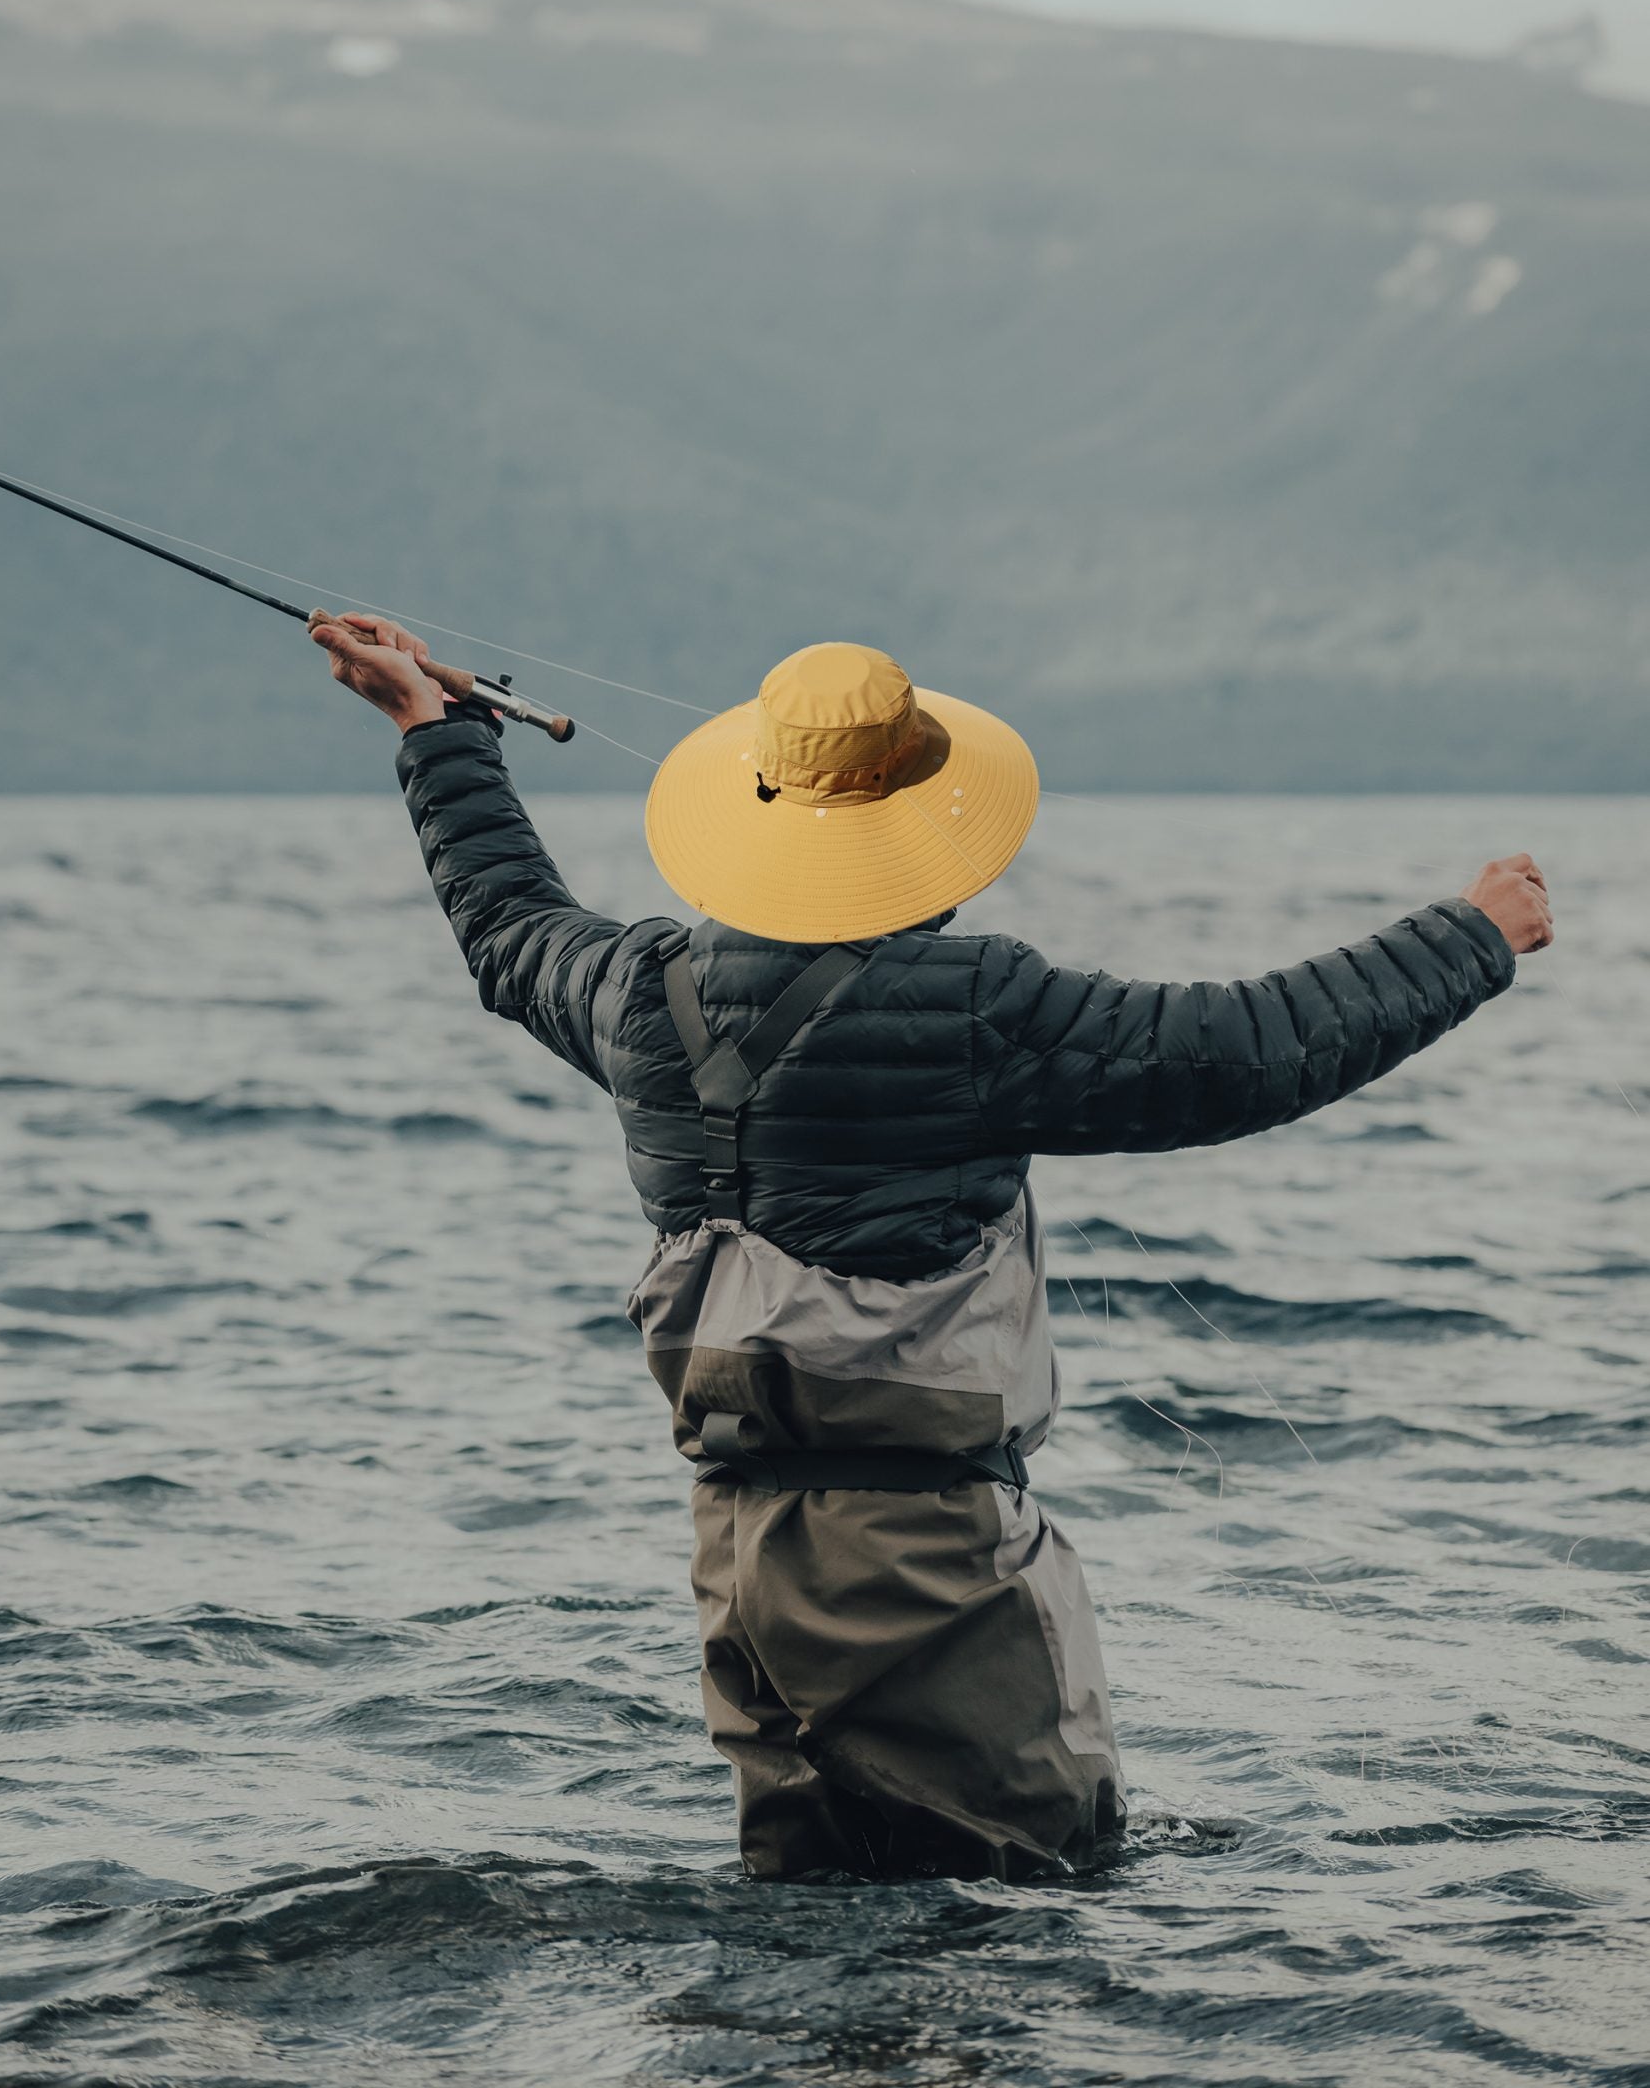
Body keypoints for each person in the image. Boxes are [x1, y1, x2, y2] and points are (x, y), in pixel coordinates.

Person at [311, 611, 1553, 1883]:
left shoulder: (639, 991)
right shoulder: (978, 1009)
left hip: (738, 1554)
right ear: (918, 811)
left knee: (807, 1937)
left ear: (760, 798)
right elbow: (1239, 1053)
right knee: (1018, 1914)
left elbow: (509, 932)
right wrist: (1468, 937)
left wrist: (437, 733)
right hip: (928, 1564)